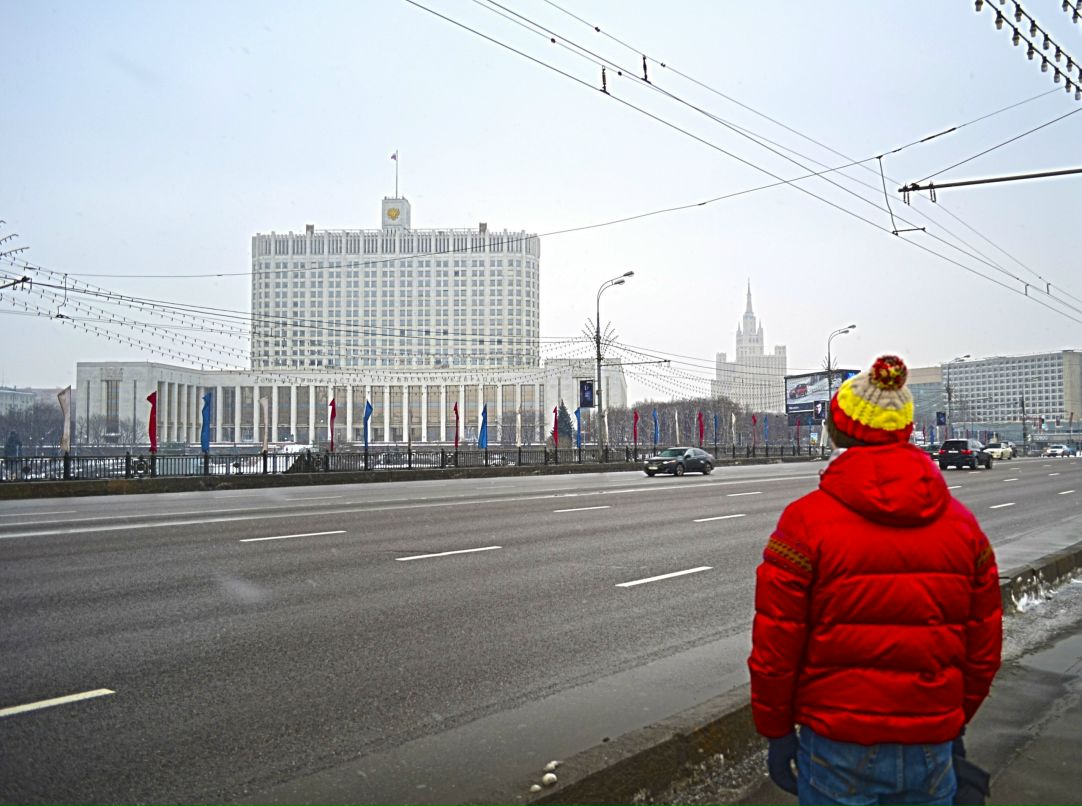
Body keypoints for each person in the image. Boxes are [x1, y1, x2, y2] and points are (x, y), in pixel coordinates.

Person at [747, 355, 1002, 806]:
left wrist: (776, 729)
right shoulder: (963, 529)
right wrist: (952, 718)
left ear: (839, 432)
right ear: (904, 430)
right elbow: (983, 647)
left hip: (836, 744)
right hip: (931, 744)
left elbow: (776, 648)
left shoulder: (804, 524)